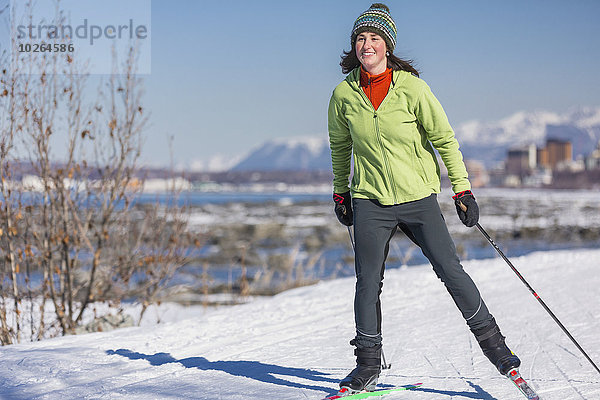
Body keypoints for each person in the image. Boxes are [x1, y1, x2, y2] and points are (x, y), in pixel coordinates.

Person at [328, 3, 521, 394]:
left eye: (375, 38)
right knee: (367, 283)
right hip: (370, 200)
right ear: (355, 45)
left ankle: (498, 350)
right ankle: (366, 366)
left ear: (388, 46)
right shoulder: (343, 94)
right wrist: (341, 191)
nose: (367, 44)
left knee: (451, 271)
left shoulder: (413, 89)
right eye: (361, 38)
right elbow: (339, 145)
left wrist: (462, 188)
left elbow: (444, 140)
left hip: (418, 198)